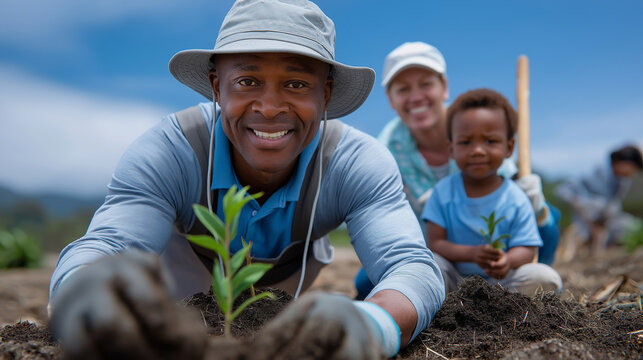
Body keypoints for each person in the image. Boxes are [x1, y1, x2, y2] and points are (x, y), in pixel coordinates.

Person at [47, 1, 445, 359]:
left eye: (296, 84)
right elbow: (108, 245)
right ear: (217, 87)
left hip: (283, 313)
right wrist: (87, 296)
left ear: (325, 95)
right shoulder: (171, 151)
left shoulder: (355, 163)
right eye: (248, 81)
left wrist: (372, 324)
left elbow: (409, 264)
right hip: (171, 317)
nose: (270, 108)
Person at [354, 42, 560, 299]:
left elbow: (504, 184)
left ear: (444, 87)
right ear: (390, 99)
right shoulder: (384, 153)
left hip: (496, 253)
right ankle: (434, 297)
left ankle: (525, 292)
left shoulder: (473, 121)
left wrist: (533, 207)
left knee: (547, 219)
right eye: (403, 89)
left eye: (426, 84)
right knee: (366, 282)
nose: (416, 96)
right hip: (434, 250)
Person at [423, 88, 562, 295]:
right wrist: (471, 254)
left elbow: (527, 248)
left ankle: (505, 308)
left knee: (544, 278)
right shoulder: (443, 192)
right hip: (455, 281)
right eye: (466, 142)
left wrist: (508, 260)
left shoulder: (516, 197)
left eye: (490, 141)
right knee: (427, 266)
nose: (478, 150)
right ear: (451, 149)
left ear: (509, 147)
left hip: (502, 285)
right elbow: (435, 243)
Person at [556, 144, 643, 255]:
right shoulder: (597, 173)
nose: (632, 173)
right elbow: (565, 192)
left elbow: (612, 208)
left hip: (603, 221)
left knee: (629, 225)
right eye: (632, 168)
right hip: (581, 217)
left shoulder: (622, 182)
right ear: (620, 162)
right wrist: (590, 220)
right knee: (596, 208)